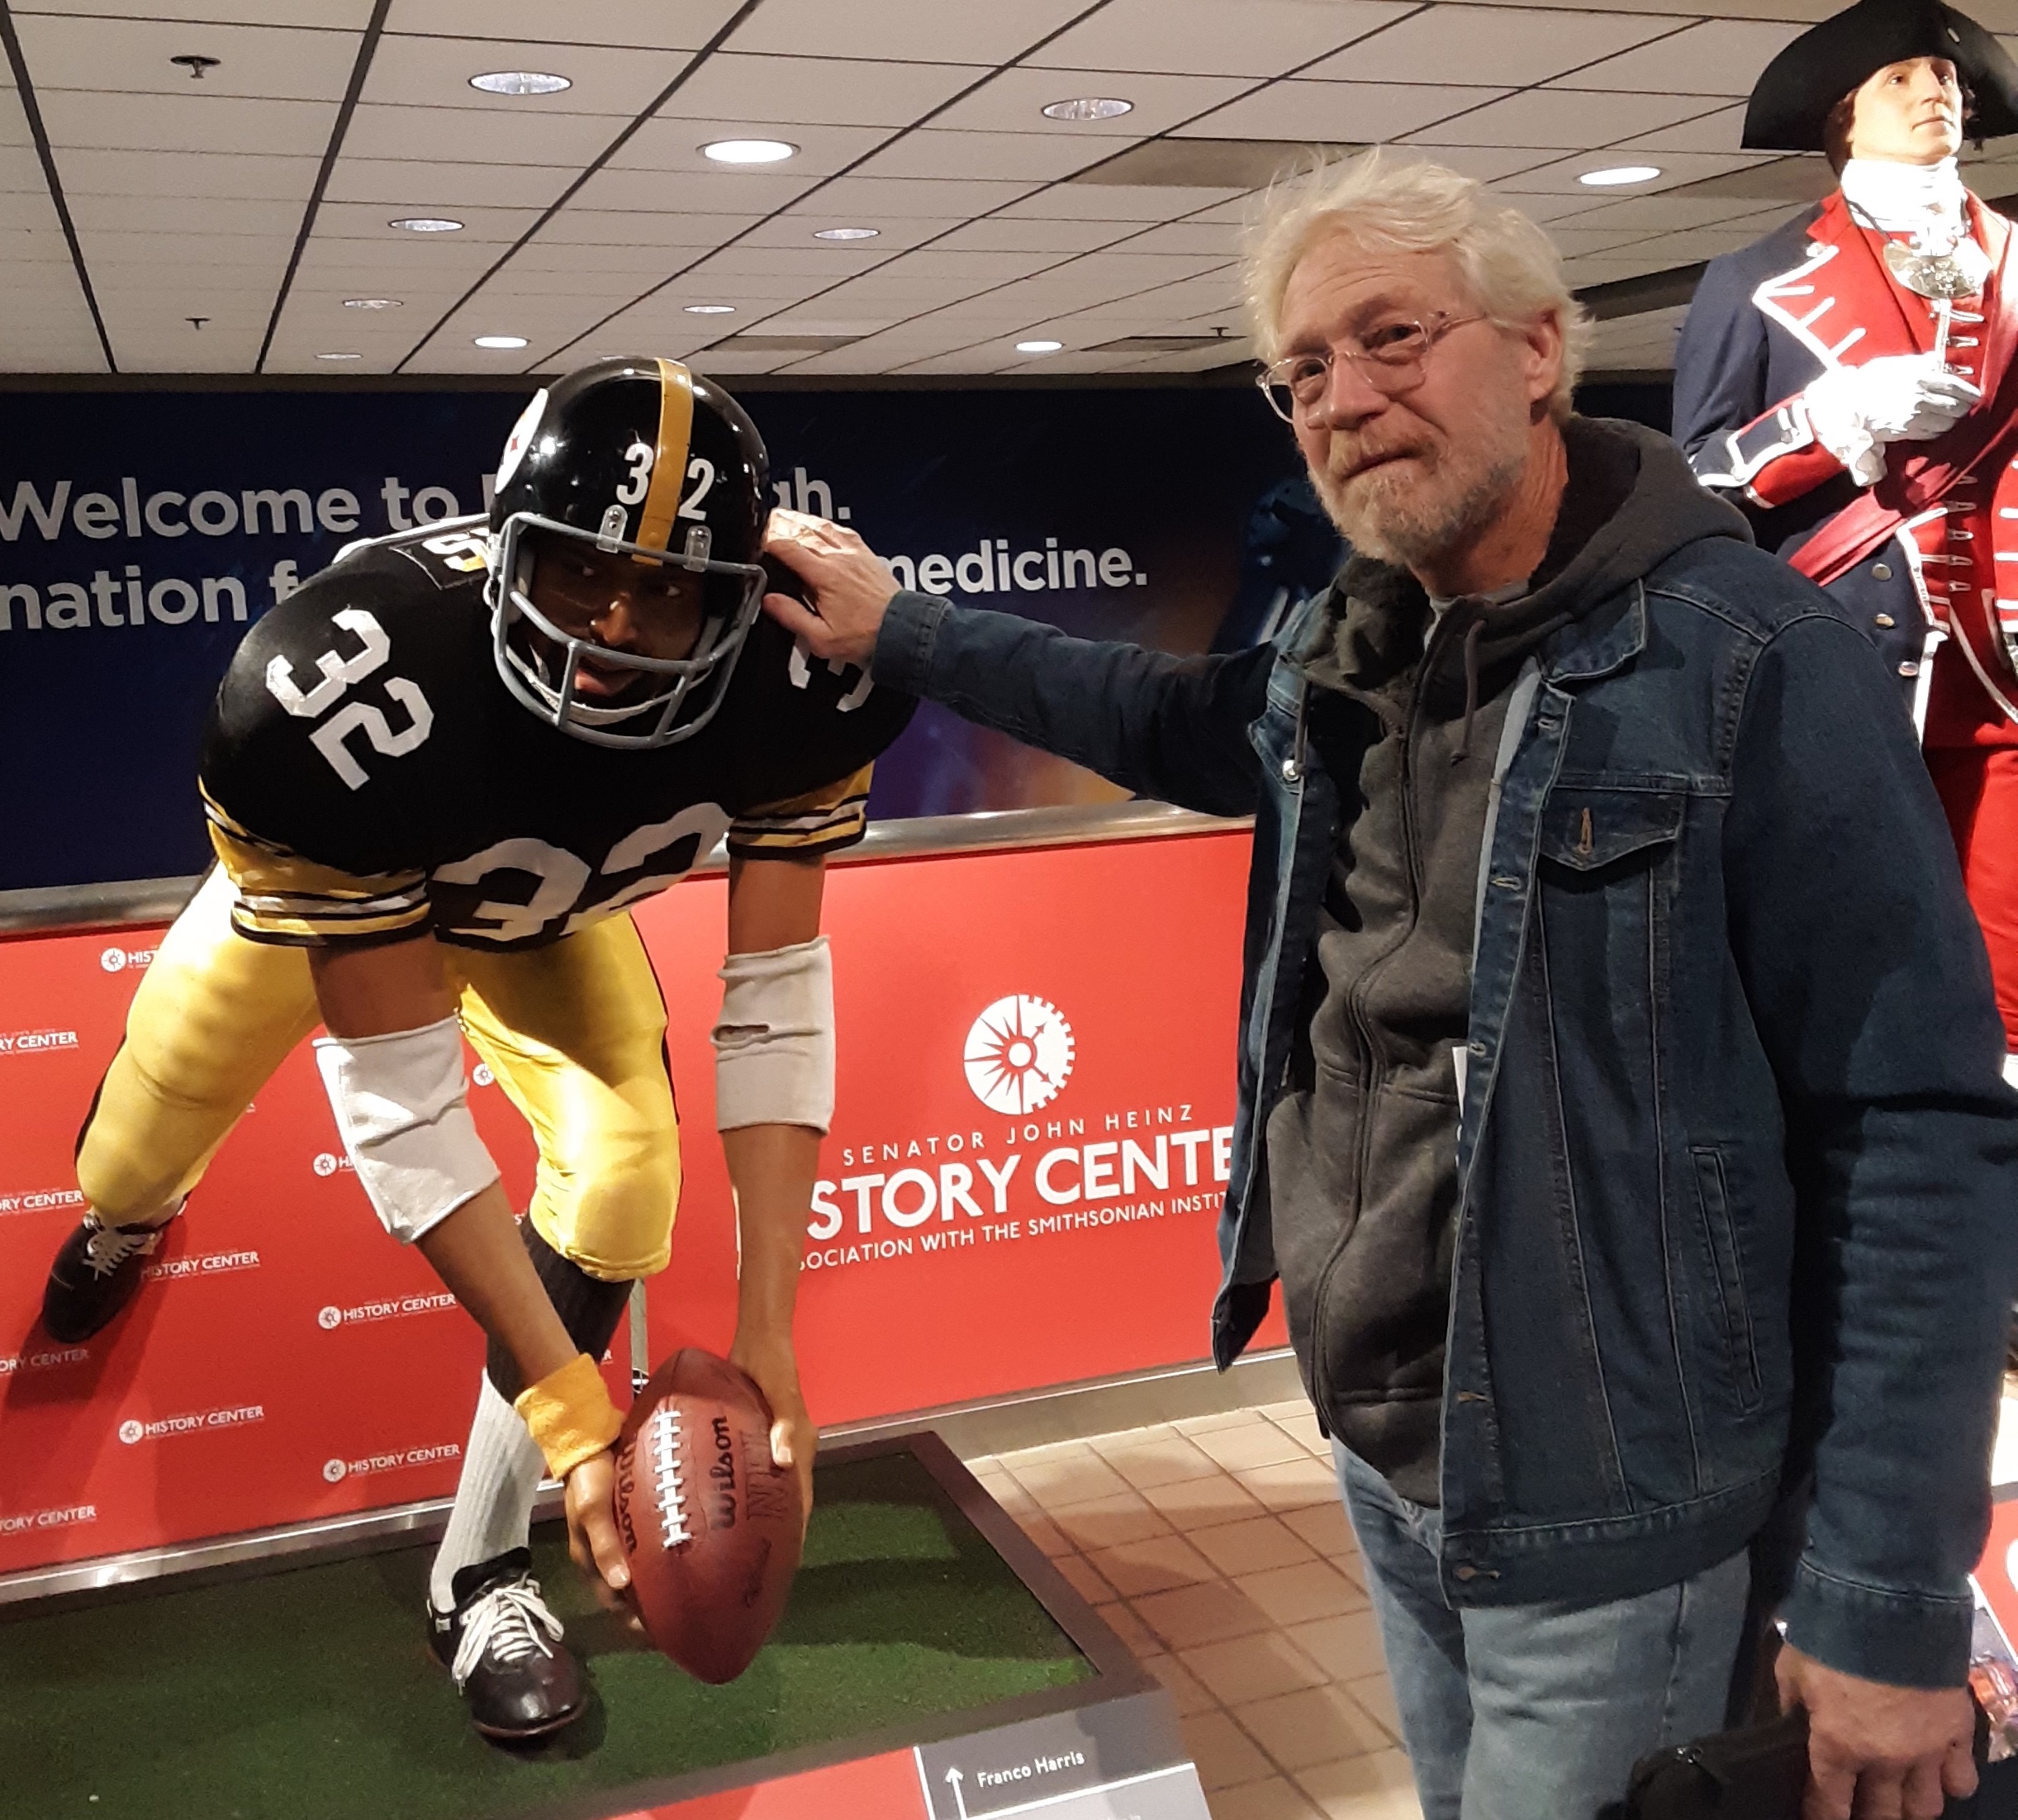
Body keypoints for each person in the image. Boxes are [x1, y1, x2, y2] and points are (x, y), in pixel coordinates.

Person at [761, 154, 2018, 1820]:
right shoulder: (1350, 646)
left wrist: (1882, 1598)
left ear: (1541, 350)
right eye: (1299, 375)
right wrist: (900, 626)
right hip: (1387, 1461)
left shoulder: (1742, 659)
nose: (1341, 401)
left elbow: (1918, 1125)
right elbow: (1163, 715)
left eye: (1391, 338)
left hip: (1612, 1509)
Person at [36, 358, 911, 1741]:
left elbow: (777, 995)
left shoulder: (811, 665)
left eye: (672, 592)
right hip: (345, 920)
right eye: (577, 579)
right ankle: (125, 1219)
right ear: (503, 546)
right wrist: (575, 1412)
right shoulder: (340, 694)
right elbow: (403, 1105)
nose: (618, 633)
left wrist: (766, 1335)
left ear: (742, 594)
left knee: (628, 1175)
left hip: (543, 924)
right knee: (148, 1134)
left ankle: (482, 1570)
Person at [1673, 0, 2018, 1085]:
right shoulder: (1756, 278)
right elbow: (1697, 484)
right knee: (1868, 965)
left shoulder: (2017, 260)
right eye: (1905, 78)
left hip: (2007, 671)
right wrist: (1831, 420)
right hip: (1855, 661)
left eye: (1947, 78)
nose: (1937, 93)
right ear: (1842, 116)